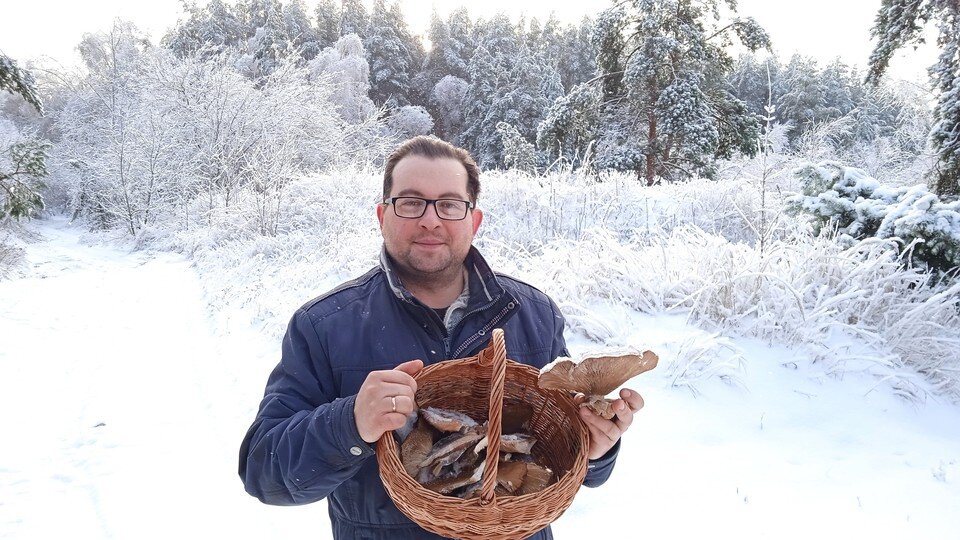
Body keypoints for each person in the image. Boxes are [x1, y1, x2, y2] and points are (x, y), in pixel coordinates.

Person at [239, 136, 645, 539]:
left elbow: (565, 454)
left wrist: (598, 448)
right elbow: (264, 473)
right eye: (411, 202)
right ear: (382, 216)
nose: (430, 220)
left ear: (474, 220)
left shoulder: (532, 314)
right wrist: (349, 422)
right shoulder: (325, 325)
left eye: (449, 204)